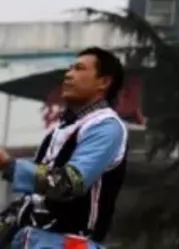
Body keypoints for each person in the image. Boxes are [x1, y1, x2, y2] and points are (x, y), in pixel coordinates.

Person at [0, 47, 128, 249]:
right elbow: (34, 200)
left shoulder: (106, 126)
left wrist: (8, 164)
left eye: (79, 68)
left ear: (104, 82)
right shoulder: (60, 131)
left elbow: (69, 184)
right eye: (69, 69)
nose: (68, 74)